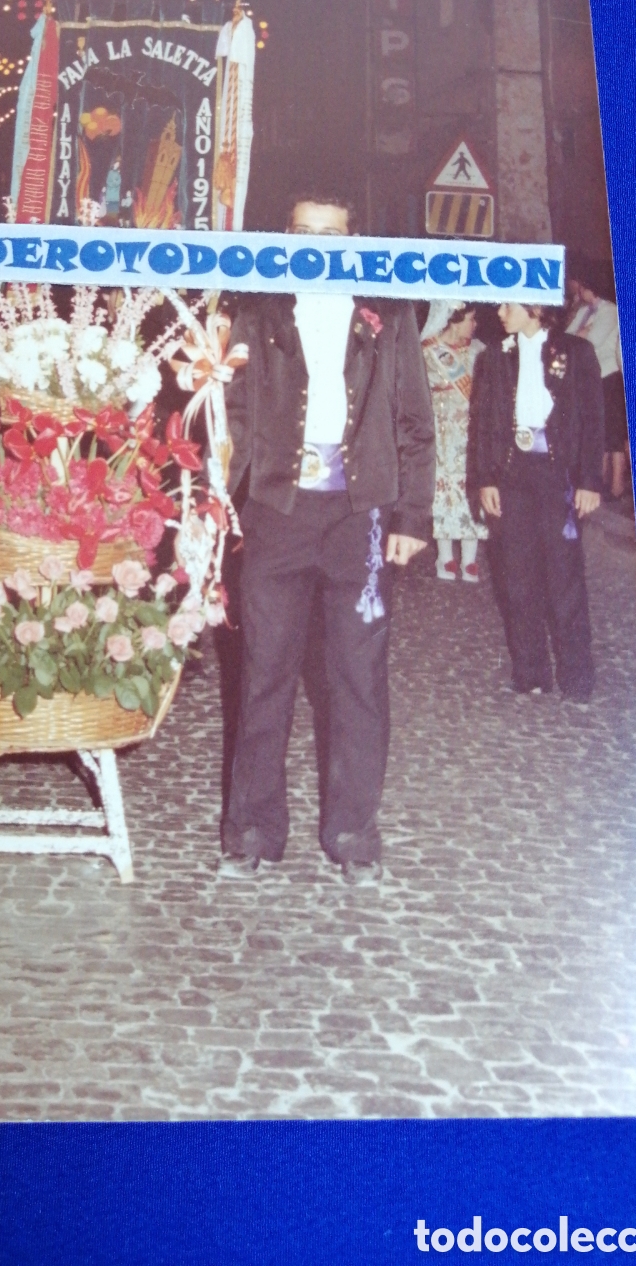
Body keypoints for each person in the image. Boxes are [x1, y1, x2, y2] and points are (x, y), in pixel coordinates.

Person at [218, 194, 436, 884]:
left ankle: (353, 836)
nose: (317, 243)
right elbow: (226, 412)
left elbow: (414, 421)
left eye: (331, 234)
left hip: (359, 518)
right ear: (286, 237)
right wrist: (222, 503)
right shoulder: (254, 308)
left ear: (353, 239)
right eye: (304, 232)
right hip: (276, 514)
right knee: (264, 673)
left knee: (358, 681)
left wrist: (410, 519)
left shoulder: (388, 314)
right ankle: (252, 830)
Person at [473, 302, 604, 701]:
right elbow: (482, 423)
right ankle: (530, 672)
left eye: (508, 303)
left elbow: (593, 419)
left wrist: (589, 481)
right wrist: (484, 480)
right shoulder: (494, 357)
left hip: (558, 476)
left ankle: (577, 678)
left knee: (564, 579)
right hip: (512, 476)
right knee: (517, 577)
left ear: (534, 307)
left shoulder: (577, 352)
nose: (499, 310)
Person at [420, 300, 487, 582]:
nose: (475, 324)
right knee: (443, 491)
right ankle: (445, 557)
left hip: (471, 434)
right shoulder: (425, 351)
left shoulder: (479, 350)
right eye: (470, 318)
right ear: (452, 320)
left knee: (470, 489)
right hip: (439, 432)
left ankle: (470, 559)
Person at [566, 267, 627, 498]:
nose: (577, 289)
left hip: (609, 376)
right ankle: (600, 482)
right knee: (600, 432)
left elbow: (591, 341)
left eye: (580, 285)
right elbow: (566, 337)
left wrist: (583, 333)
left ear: (588, 287)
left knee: (613, 434)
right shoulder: (586, 311)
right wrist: (581, 331)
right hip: (593, 377)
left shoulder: (609, 310)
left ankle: (617, 486)